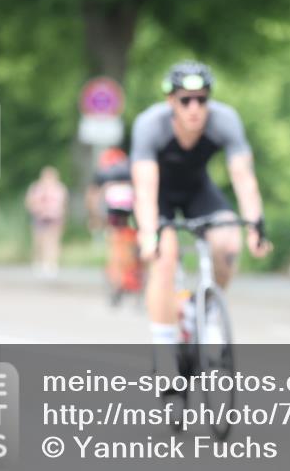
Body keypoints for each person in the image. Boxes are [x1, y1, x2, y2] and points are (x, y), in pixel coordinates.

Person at [131, 60, 271, 370]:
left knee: (227, 243)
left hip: (198, 191)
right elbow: (145, 187)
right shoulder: (149, 125)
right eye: (185, 100)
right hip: (159, 195)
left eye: (202, 99)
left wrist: (256, 227)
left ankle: (205, 314)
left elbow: (244, 178)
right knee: (164, 258)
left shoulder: (225, 120)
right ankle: (165, 348)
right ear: (171, 102)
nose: (194, 107)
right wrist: (148, 234)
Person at [90, 148, 142, 298]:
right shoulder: (131, 171)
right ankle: (130, 280)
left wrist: (96, 219)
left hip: (114, 220)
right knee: (133, 249)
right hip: (133, 219)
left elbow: (94, 199)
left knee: (117, 251)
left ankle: (118, 282)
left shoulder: (103, 175)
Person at [24, 166, 69, 278]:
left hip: (55, 217)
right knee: (39, 240)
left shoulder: (60, 188)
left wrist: (63, 216)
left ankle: (51, 263)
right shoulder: (36, 187)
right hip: (39, 216)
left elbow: (64, 204)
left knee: (53, 241)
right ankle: (38, 262)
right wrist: (35, 209)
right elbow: (29, 201)